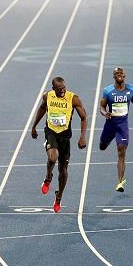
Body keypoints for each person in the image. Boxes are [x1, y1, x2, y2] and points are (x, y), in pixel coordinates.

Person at [31, 77, 87, 213]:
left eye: (64, 88)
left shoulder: (73, 98)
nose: (62, 91)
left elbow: (84, 117)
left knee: (63, 170)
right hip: (51, 132)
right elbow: (42, 109)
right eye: (59, 89)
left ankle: (59, 197)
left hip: (65, 136)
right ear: (53, 88)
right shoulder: (47, 96)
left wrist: (82, 137)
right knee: (52, 158)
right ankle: (48, 177)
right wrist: (34, 126)